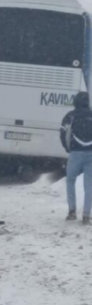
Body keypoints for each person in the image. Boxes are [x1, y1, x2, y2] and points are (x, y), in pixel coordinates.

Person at [60, 91, 92, 225]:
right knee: (89, 185)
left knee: (70, 181)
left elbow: (63, 133)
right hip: (91, 154)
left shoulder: (70, 116)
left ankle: (72, 211)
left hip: (75, 154)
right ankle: (86, 215)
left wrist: (68, 148)